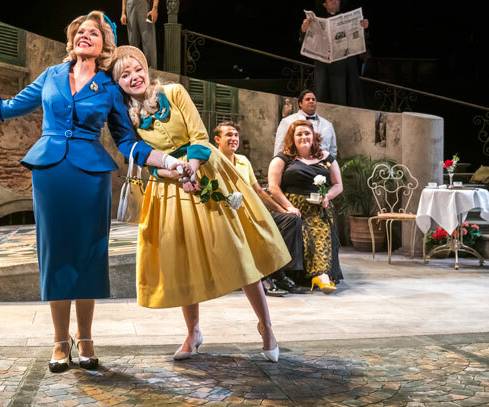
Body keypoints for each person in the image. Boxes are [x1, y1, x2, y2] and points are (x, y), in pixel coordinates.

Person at [0, 11, 170, 373]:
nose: (85, 36)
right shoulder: (51, 75)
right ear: (72, 40)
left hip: (91, 175)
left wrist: (165, 161)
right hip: (50, 172)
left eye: (93, 33)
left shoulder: (109, 88)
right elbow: (12, 107)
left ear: (103, 44)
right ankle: (59, 340)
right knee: (55, 253)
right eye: (80, 32)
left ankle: (86, 338)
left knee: (89, 254)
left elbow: (127, 142)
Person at [111, 46, 291, 363]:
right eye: (124, 75)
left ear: (145, 69)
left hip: (205, 172)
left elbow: (199, 135)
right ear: (118, 83)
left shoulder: (174, 92)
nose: (133, 77)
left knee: (237, 250)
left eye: (136, 69)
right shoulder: (128, 116)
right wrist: (172, 172)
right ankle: (193, 333)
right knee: (182, 260)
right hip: (169, 188)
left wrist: (191, 167)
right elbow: (143, 159)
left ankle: (266, 326)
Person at [213, 121, 308, 296]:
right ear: (217, 139)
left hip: (252, 214)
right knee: (259, 231)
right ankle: (267, 278)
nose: (234, 138)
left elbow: (258, 191)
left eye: (236, 135)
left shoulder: (243, 161)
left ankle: (277, 273)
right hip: (229, 217)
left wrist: (283, 210)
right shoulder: (213, 163)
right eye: (229, 135)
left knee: (291, 219)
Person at [268, 120, 344, 293]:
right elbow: (273, 187)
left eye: (307, 133)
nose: (304, 137)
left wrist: (327, 196)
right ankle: (310, 276)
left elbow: (338, 185)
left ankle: (322, 275)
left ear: (314, 136)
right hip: (293, 207)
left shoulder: (326, 157)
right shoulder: (283, 158)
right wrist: (288, 207)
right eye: (299, 134)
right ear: (292, 138)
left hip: (318, 207)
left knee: (321, 229)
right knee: (304, 230)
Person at [300, 0, 369, 108]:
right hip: (324, 65)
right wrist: (304, 29)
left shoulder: (349, 19)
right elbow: (306, 41)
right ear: (325, 5)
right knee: (323, 93)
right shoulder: (317, 21)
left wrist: (364, 27)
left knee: (344, 94)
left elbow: (362, 40)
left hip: (345, 64)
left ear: (339, 2)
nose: (334, 1)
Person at [274, 89, 337, 158]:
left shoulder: (328, 125)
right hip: (295, 165)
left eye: (313, 99)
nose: (311, 101)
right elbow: (279, 146)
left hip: (322, 165)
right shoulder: (287, 121)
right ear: (300, 104)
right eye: (308, 99)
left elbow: (333, 150)